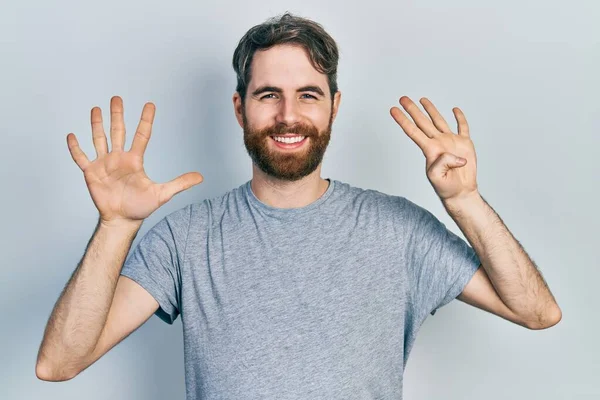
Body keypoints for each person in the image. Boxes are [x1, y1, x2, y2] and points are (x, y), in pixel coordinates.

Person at [35, 12, 562, 399]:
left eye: (308, 94)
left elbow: (536, 311)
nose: (289, 115)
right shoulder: (185, 239)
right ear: (240, 110)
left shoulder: (397, 229)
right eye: (268, 95)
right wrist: (115, 226)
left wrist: (465, 201)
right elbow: (59, 363)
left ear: (334, 106)